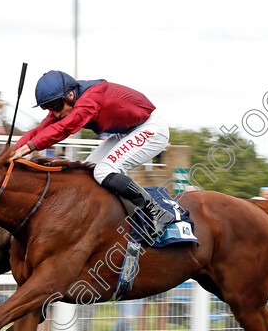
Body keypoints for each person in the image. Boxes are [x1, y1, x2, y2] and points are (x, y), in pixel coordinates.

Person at [12, 70, 175, 239]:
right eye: (49, 108)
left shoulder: (91, 99)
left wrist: (26, 149)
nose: (55, 113)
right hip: (126, 131)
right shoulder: (67, 102)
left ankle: (157, 212)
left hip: (151, 129)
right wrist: (12, 149)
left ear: (70, 94)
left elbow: (62, 129)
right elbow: (40, 130)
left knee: (103, 171)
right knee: (86, 174)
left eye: (56, 107)